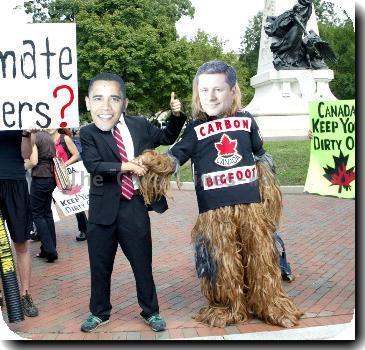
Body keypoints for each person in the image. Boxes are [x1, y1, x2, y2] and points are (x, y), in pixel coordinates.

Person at [150, 60, 302, 327]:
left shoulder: (246, 121)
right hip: (215, 213)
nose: (211, 96)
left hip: (250, 207)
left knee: (261, 258)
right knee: (223, 264)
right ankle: (229, 305)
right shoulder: (195, 128)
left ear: (233, 91)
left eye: (218, 89)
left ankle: (268, 303)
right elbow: (175, 157)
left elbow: (261, 156)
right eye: (204, 90)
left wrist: (268, 191)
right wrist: (154, 163)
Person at [79, 72, 186, 332]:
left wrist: (176, 116)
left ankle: (151, 312)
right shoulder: (89, 132)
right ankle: (99, 312)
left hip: (134, 206)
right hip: (103, 209)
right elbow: (94, 165)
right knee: (100, 265)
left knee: (142, 263)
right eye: (99, 99)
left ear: (124, 103)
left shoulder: (139, 124)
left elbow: (166, 137)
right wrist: (126, 166)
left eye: (115, 98)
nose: (107, 106)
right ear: (89, 103)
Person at [0, 129, 39, 317]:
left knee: (21, 243)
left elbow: (26, 155)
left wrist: (25, 134)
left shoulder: (19, 115)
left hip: (15, 182)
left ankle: (25, 294)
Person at [47, 128, 89, 242]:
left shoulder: (64, 139)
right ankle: (42, 231)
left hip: (67, 175)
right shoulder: (44, 140)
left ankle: (84, 229)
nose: (49, 128)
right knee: (48, 204)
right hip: (51, 176)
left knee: (75, 202)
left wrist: (64, 165)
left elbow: (76, 154)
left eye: (51, 125)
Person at [25, 130, 58, 263]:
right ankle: (48, 248)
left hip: (40, 177)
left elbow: (33, 161)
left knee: (37, 214)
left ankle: (50, 250)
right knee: (47, 213)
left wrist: (22, 167)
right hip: (50, 176)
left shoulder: (34, 137)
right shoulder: (47, 136)